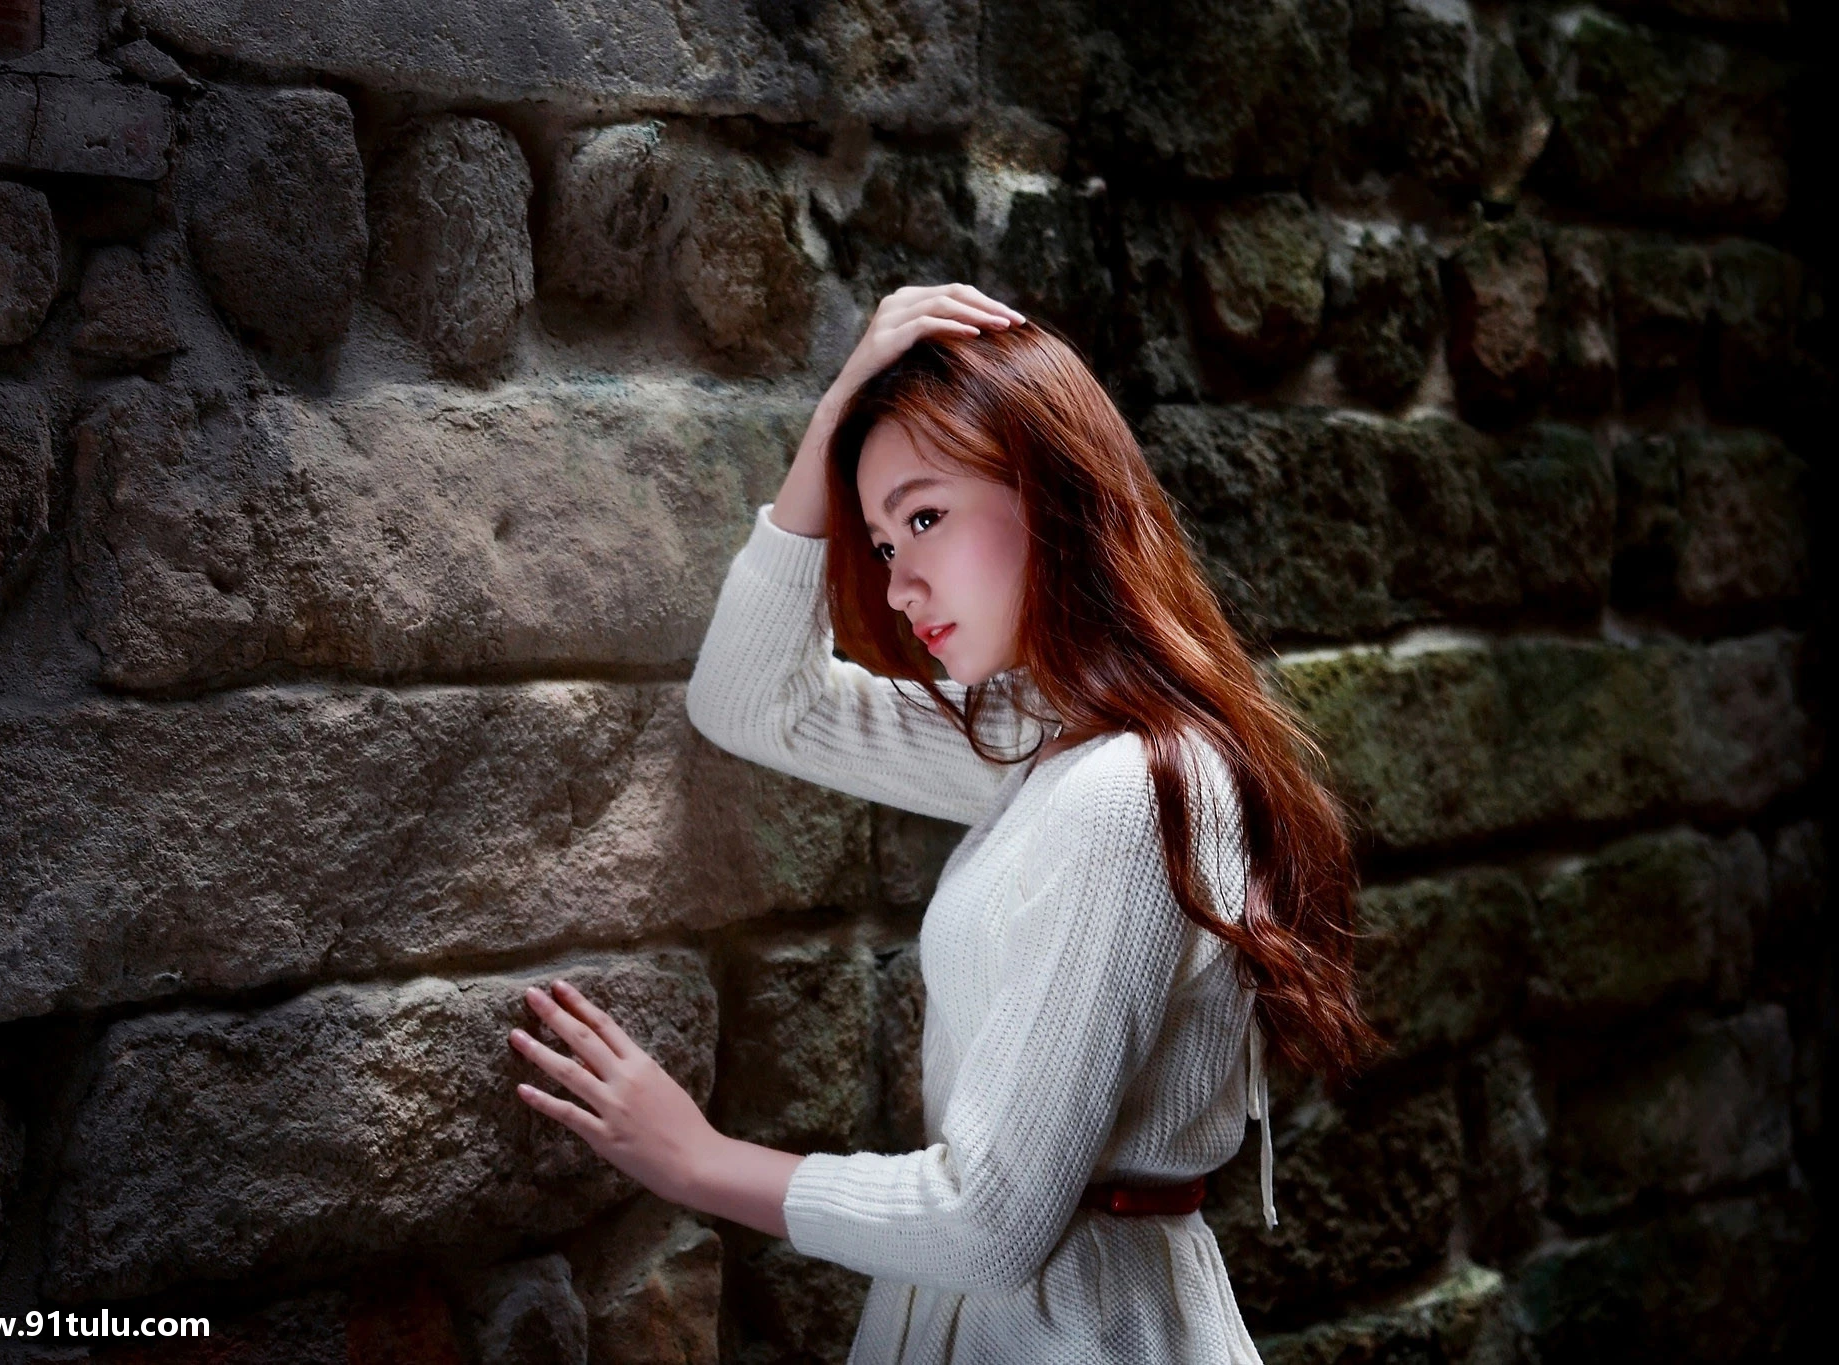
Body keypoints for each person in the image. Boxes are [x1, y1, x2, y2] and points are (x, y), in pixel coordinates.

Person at [508, 284, 1378, 1362]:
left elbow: (988, 1219)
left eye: (925, 517)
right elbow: (751, 700)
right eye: (881, 544)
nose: (900, 583)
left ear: (1055, 489)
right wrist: (836, 413)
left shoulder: (1128, 787)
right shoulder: (1045, 739)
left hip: (1076, 1329)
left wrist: (696, 1160)